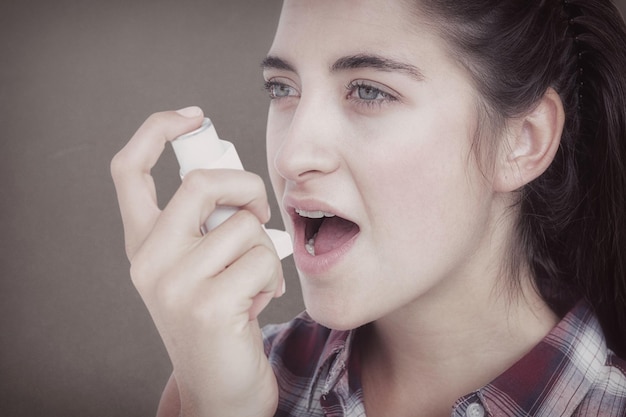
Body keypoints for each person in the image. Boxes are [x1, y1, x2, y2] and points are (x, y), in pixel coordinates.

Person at [110, 0, 626, 415]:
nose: (291, 156)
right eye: (282, 88)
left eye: (369, 91)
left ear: (522, 141)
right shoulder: (225, 383)